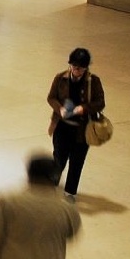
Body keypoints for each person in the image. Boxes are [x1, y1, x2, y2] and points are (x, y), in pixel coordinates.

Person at [46, 48, 106, 197]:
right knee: (59, 157)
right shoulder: (61, 78)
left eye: (80, 68)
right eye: (74, 66)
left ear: (86, 68)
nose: (76, 70)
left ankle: (70, 192)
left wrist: (84, 108)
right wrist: (59, 109)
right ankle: (52, 184)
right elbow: (51, 97)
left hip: (82, 130)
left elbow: (100, 102)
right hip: (62, 127)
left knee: (77, 162)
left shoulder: (94, 81)